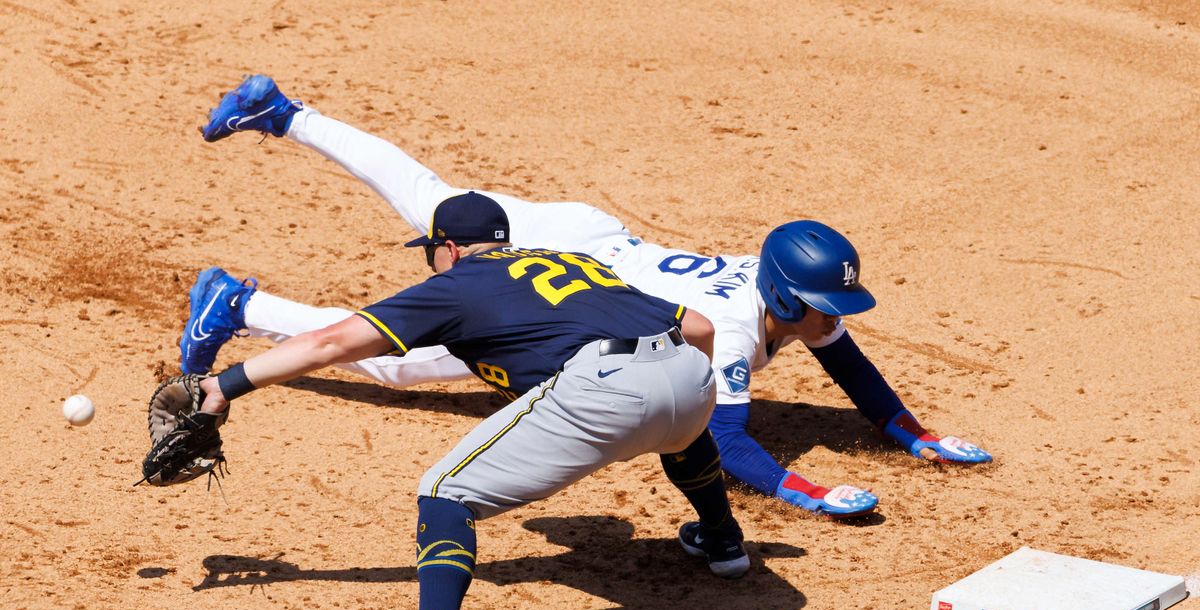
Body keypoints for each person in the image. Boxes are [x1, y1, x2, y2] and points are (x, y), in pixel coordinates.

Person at [188, 76, 991, 520]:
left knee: (426, 195)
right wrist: (804, 492)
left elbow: (848, 363)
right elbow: (727, 445)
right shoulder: (743, 327)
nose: (835, 321)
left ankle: (279, 148)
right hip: (564, 263)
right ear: (791, 297)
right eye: (830, 309)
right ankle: (246, 290)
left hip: (588, 234)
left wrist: (912, 434)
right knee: (403, 363)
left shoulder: (782, 286)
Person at [195, 191, 751, 610]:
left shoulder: (456, 284)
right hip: (688, 372)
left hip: (603, 387)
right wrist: (674, 391)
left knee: (444, 492)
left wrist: (226, 384)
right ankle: (724, 543)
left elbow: (329, 342)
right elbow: (698, 326)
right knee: (681, 422)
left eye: (431, 252)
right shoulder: (575, 264)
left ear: (451, 249)